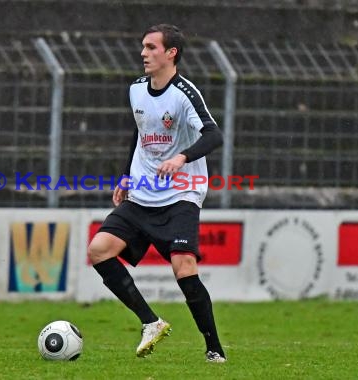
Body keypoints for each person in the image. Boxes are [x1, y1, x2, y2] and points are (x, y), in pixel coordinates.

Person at [87, 24, 227, 363]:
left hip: (181, 193)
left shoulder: (184, 93)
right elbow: (140, 134)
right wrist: (125, 178)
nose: (143, 54)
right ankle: (151, 322)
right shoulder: (136, 89)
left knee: (183, 267)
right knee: (99, 250)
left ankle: (214, 349)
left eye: (151, 47)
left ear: (170, 53)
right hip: (143, 191)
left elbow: (213, 135)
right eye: (143, 47)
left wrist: (181, 158)